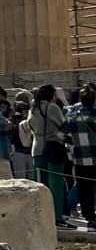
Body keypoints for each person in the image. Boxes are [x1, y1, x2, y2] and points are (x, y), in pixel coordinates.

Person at [30, 83, 69, 223]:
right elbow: (64, 125)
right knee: (56, 185)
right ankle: (57, 216)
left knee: (41, 184)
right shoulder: (52, 107)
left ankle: (42, 216)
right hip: (53, 146)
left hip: (37, 148)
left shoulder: (33, 108)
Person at [64, 83, 96, 228]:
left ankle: (90, 218)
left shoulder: (72, 111)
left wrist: (75, 143)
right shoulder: (93, 113)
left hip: (79, 157)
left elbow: (61, 133)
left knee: (84, 189)